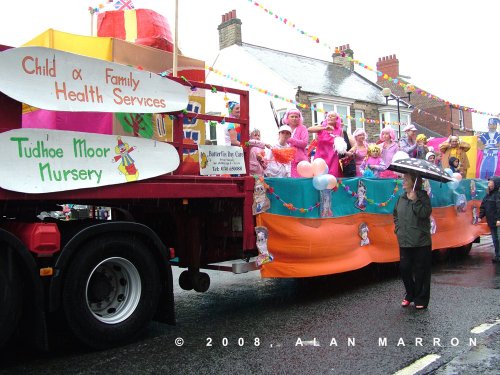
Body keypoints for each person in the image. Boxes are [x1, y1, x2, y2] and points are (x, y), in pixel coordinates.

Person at [393, 173, 432, 309]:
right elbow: (395, 215)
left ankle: (420, 298)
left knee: (421, 270)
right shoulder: (401, 198)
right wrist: (398, 229)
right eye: (403, 179)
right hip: (404, 240)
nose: (403, 182)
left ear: (414, 182)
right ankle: (410, 294)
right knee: (404, 268)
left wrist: (415, 200)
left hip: (421, 241)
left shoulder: (423, 197)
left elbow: (424, 214)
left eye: (406, 180)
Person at [308, 112, 344, 177]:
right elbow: (309, 129)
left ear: (336, 119)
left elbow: (341, 144)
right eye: (328, 116)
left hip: (333, 157)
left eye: (332, 116)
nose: (330, 117)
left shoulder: (340, 130)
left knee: (333, 175)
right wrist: (324, 128)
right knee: (318, 175)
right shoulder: (321, 127)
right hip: (320, 156)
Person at [282, 109, 309, 178]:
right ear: (287, 118)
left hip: (299, 160)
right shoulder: (284, 128)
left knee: (300, 180)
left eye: (296, 117)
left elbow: (304, 143)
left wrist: (291, 140)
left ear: (299, 118)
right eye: (292, 116)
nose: (294, 118)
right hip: (287, 159)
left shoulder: (303, 128)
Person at [479, 176, 500, 263]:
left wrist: (499, 219)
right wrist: (480, 216)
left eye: (491, 181)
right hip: (491, 221)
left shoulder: (497, 195)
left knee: (498, 238)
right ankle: (497, 255)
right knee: (495, 239)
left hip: (497, 221)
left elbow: (499, 208)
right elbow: (483, 206)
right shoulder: (488, 195)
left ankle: (498, 255)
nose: (489, 183)